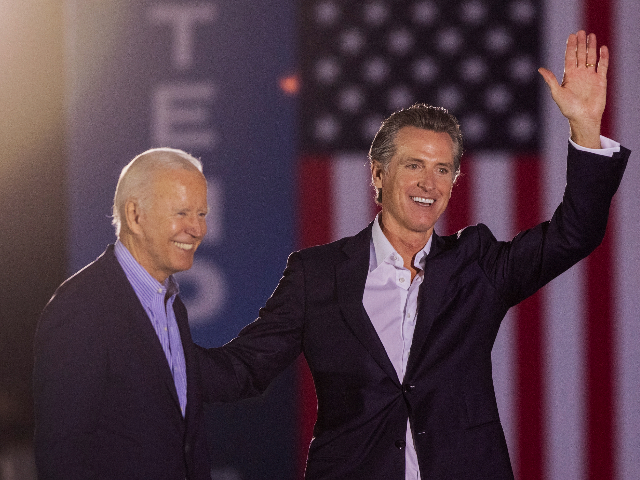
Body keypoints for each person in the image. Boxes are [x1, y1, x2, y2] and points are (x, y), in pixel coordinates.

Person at [199, 31, 630, 479]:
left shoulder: (476, 265)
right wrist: (155, 351)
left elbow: (575, 233)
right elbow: (244, 368)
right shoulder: (317, 275)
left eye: (442, 169)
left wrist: (584, 126)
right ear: (379, 174)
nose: (430, 183)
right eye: (414, 165)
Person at [33, 148, 235, 479]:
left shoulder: (171, 304)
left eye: (201, 214)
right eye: (182, 212)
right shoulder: (81, 308)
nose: (197, 229)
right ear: (135, 215)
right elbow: (62, 456)